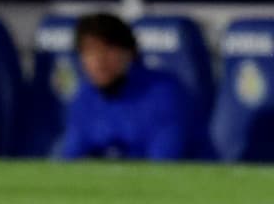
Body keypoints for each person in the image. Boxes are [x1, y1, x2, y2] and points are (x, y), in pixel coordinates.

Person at [59, 13, 189, 160]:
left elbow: (164, 162)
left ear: (129, 53)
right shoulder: (84, 95)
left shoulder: (164, 93)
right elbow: (68, 159)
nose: (99, 60)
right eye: (90, 51)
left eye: (108, 49)